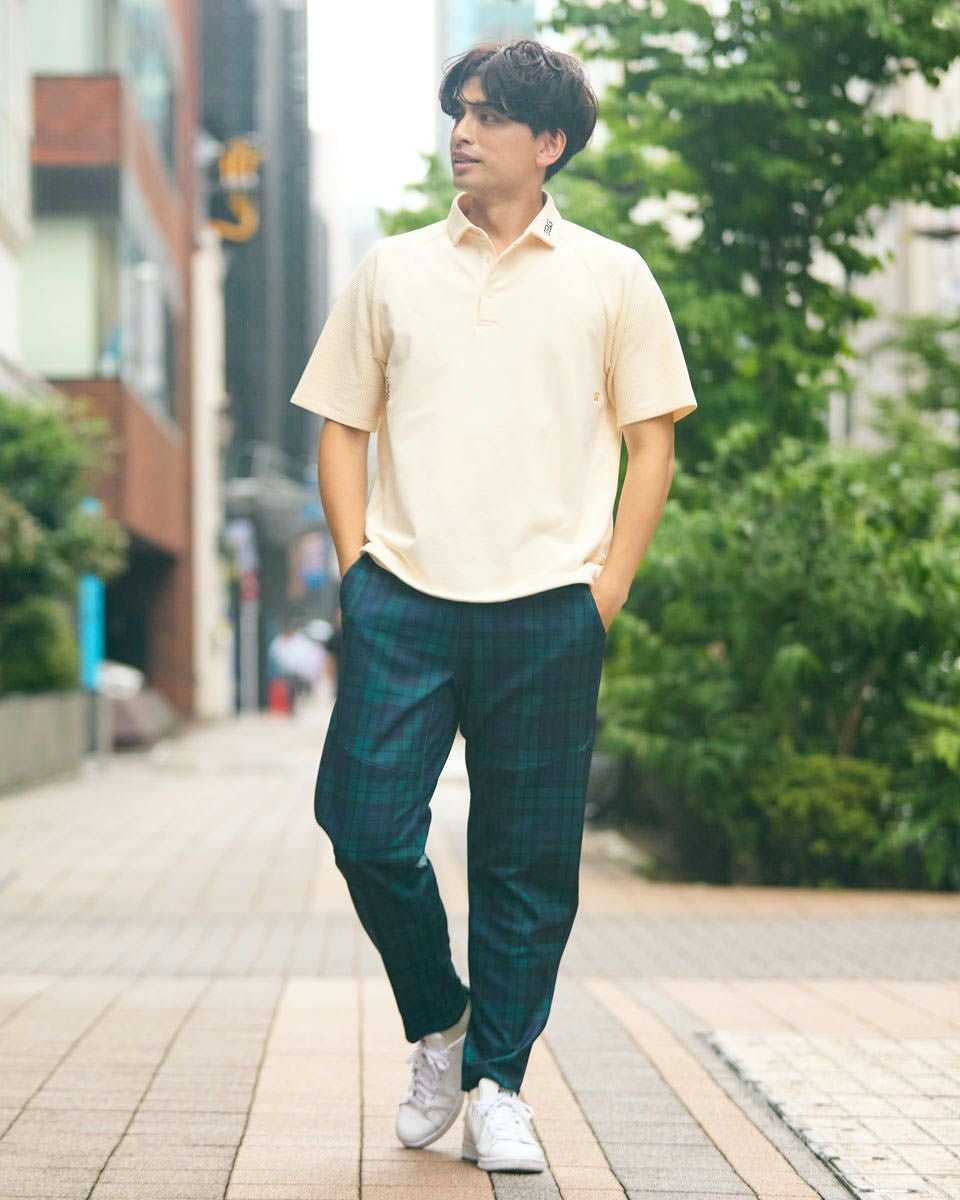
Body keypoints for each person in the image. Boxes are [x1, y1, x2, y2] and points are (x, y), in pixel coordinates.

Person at [289, 37, 697, 1173]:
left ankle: (499, 1085)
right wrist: (357, 567)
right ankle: (441, 1020)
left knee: (526, 865)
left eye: (486, 115)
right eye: (456, 112)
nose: (462, 133)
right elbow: (342, 426)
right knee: (365, 829)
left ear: (548, 141)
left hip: (550, 609)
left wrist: (607, 587)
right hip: (405, 596)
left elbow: (652, 442)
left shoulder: (613, 276)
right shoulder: (392, 270)